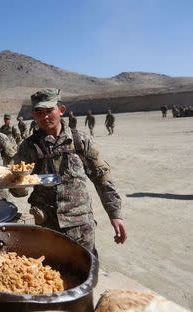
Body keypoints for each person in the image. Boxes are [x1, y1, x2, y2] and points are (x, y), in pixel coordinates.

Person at [11, 88, 127, 255]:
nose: (44, 117)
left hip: (80, 228)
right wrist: (17, 180)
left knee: (84, 271)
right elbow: (17, 190)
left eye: (49, 110)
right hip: (47, 226)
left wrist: (115, 214)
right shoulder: (28, 146)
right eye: (39, 112)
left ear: (61, 110)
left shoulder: (80, 141)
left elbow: (102, 178)